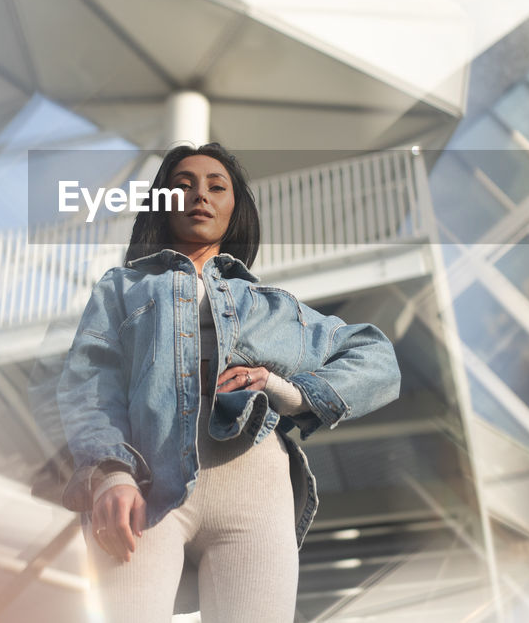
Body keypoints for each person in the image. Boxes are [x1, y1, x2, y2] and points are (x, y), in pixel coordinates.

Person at [56, 143, 402, 622]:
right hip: (146, 482)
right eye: (183, 185)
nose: (200, 195)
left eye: (217, 186)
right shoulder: (121, 289)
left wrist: (288, 390)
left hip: (255, 488)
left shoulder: (274, 307)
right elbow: (88, 387)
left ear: (234, 208)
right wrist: (110, 473)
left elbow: (377, 355)